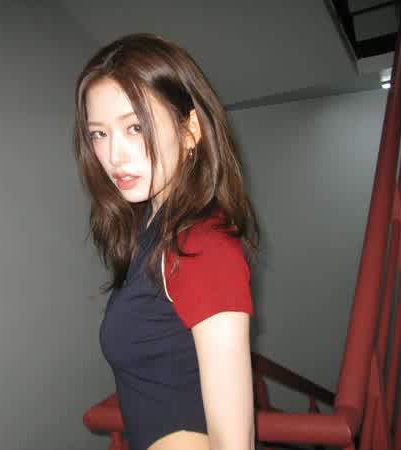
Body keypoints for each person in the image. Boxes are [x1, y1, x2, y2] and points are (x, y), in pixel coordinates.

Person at [73, 33, 260, 450]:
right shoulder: (153, 227)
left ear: (190, 129)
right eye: (99, 134)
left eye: (135, 127)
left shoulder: (202, 245)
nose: (114, 156)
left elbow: (236, 442)